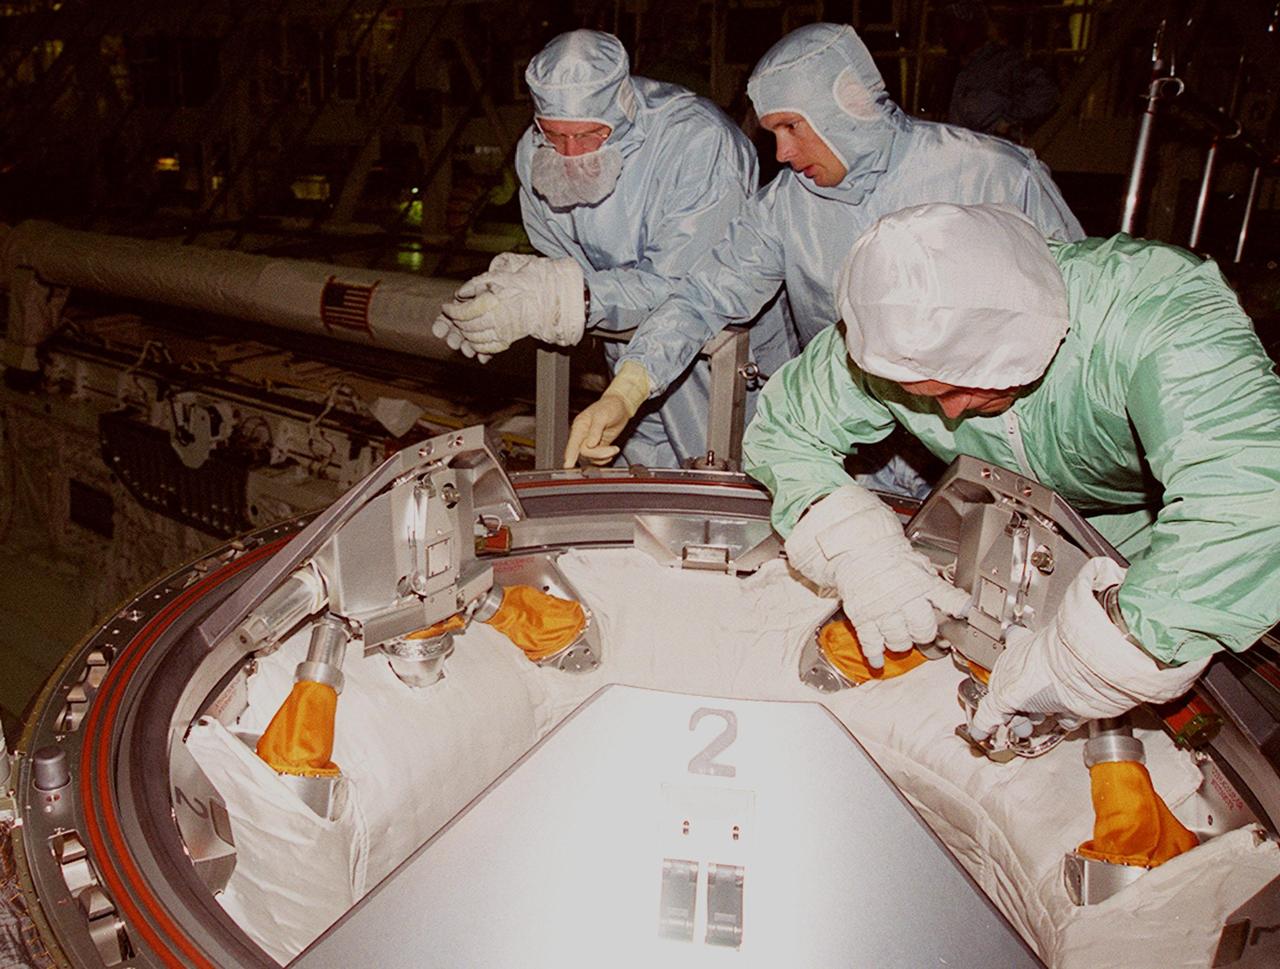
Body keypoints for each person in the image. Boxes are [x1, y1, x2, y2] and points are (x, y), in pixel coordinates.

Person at [742, 202, 1280, 739]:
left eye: (957, 388)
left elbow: (1250, 501)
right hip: (1011, 520)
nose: (948, 414)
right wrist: (858, 550)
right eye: (920, 396)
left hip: (1159, 539)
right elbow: (787, 432)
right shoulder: (889, 333)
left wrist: (1104, 652)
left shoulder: (1154, 314)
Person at [566, 22, 1084, 473]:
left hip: (990, 439)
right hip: (861, 449)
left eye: (792, 126)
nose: (783, 153)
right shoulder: (787, 207)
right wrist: (627, 389)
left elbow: (1077, 308)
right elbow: (703, 297)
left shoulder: (992, 176)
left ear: (848, 105)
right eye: (772, 132)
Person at [432, 29, 796, 468]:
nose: (569, 153)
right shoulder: (536, 153)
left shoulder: (698, 143)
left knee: (729, 485)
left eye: (588, 136)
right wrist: (521, 297)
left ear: (621, 111)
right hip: (626, 352)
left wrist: (565, 300)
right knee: (637, 490)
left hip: (720, 358)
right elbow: (563, 265)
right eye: (554, 134)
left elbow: (692, 291)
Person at [940, 0, 1059, 139]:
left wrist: (1006, 122)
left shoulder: (1003, 63)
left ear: (972, 29)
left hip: (991, 152)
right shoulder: (955, 70)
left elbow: (1046, 91)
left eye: (952, 27)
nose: (944, 35)